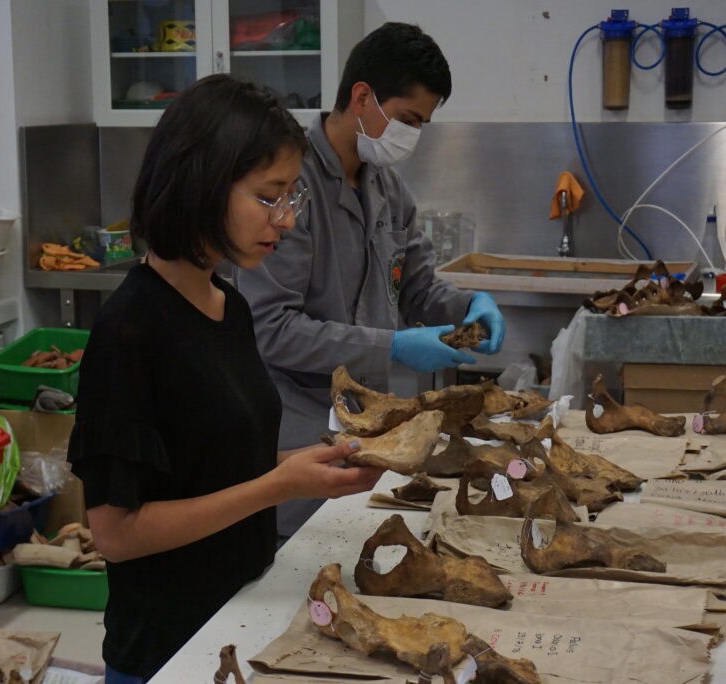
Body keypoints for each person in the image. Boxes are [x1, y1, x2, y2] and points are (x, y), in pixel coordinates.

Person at [67, 74, 384, 684]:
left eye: (293, 197)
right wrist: (276, 486)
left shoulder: (228, 305)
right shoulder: (129, 329)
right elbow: (116, 533)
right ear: (204, 186)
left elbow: (217, 454)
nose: (285, 220)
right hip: (165, 653)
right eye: (269, 197)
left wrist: (325, 457)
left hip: (238, 620)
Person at [234, 23, 506, 539]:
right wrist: (393, 348)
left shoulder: (389, 190)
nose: (414, 136)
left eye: (422, 124)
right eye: (407, 119)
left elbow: (418, 287)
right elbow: (270, 327)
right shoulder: (292, 187)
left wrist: (470, 306)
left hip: (367, 422)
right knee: (288, 574)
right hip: (294, 420)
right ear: (362, 97)